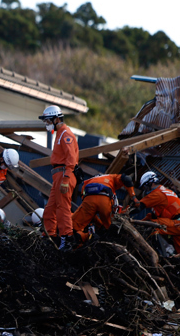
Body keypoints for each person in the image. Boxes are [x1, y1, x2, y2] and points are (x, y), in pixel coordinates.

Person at [39, 105, 79, 251]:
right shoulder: (60, 134)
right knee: (50, 209)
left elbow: (71, 158)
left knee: (63, 208)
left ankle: (67, 238)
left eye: (48, 121)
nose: (46, 124)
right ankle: (49, 236)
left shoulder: (65, 135)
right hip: (59, 175)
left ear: (56, 119)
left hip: (64, 175)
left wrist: (66, 178)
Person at [131, 171, 180, 256]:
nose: (145, 190)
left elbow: (138, 206)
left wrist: (125, 212)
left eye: (145, 187)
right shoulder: (165, 191)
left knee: (152, 227)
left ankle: (164, 255)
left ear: (150, 183)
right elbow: (155, 215)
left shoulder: (157, 194)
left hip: (178, 224)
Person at [71, 174, 136, 245]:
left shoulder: (87, 182)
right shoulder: (112, 177)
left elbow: (90, 213)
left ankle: (67, 243)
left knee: (73, 226)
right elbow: (126, 178)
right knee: (110, 228)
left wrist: (100, 225)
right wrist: (133, 197)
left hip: (88, 199)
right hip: (105, 200)